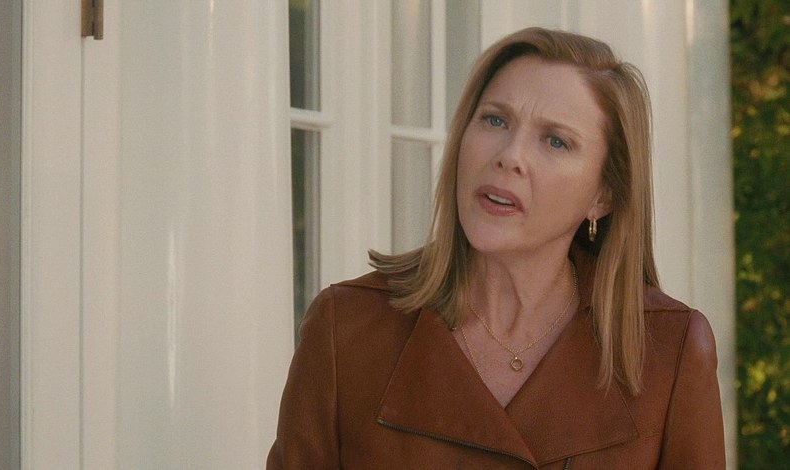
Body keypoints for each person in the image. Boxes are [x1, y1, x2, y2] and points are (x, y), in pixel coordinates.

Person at [267, 27, 725, 469]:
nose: (509, 155)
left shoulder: (670, 351)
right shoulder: (346, 328)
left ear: (603, 195)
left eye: (556, 140)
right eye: (495, 120)